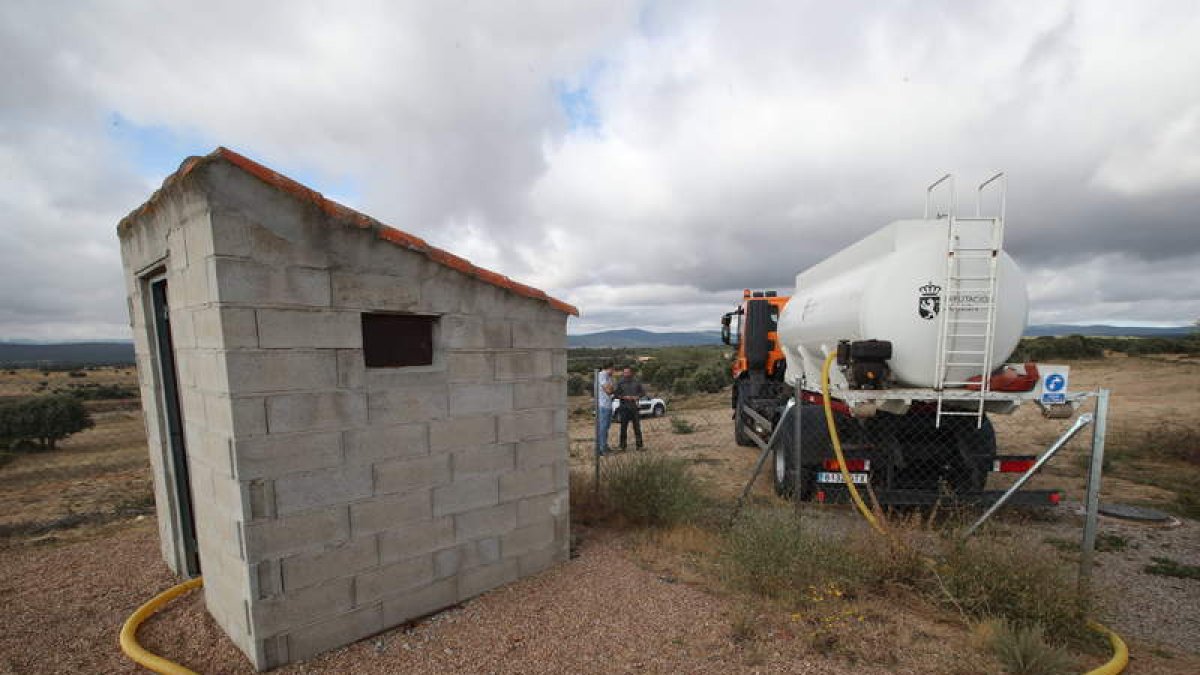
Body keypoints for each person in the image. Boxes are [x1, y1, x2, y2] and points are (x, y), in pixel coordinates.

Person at [613, 366, 646, 450]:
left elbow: (643, 393)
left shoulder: (636, 382)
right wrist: (624, 397)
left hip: (634, 408)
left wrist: (637, 397)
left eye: (627, 372)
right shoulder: (620, 383)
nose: (626, 374)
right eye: (624, 372)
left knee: (637, 428)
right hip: (624, 408)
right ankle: (622, 446)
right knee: (623, 428)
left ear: (631, 373)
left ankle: (640, 446)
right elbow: (616, 395)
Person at [596, 362, 616, 455]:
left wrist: (611, 388)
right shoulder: (602, 375)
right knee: (603, 428)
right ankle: (601, 449)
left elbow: (612, 389)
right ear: (609, 368)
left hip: (608, 405)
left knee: (606, 427)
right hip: (603, 405)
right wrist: (611, 388)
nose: (614, 371)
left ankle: (604, 445)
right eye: (613, 369)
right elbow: (609, 391)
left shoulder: (608, 377)